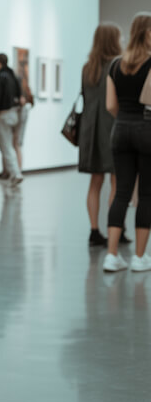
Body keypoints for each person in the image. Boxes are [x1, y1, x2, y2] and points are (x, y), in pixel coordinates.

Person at [103, 12, 151, 273]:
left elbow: (111, 105)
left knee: (121, 192)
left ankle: (111, 256)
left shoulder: (115, 65)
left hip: (120, 128)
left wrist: (125, 119)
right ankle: (140, 257)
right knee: (146, 194)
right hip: (146, 129)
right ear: (147, 33)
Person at [78, 23, 122, 247]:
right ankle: (117, 228)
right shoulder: (118, 65)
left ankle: (94, 230)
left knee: (95, 182)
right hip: (111, 127)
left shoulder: (88, 67)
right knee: (117, 182)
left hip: (89, 131)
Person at [0, 53, 22, 187]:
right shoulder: (14, 76)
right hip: (14, 113)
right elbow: (19, 94)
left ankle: (15, 173)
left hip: (4, 114)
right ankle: (14, 173)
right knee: (10, 145)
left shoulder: (1, 77)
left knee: (6, 146)